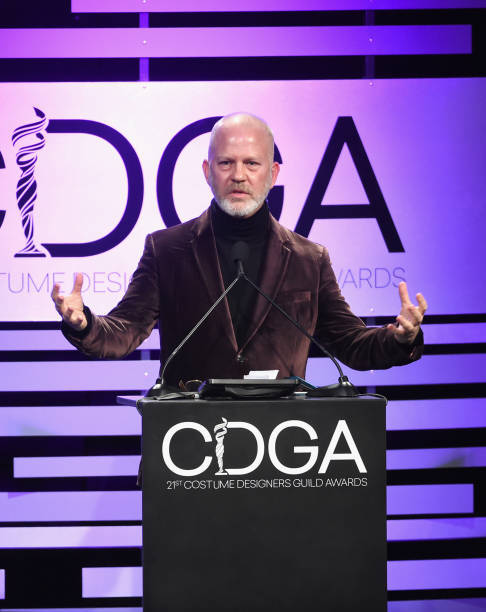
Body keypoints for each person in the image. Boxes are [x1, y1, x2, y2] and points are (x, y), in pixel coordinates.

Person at [52, 113, 427, 388]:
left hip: (281, 445)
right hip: (188, 442)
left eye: (251, 163)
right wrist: (84, 324)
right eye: (226, 163)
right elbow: (125, 331)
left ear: (273, 174)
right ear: (207, 171)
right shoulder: (166, 249)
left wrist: (399, 338)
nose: (238, 175)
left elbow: (351, 343)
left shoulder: (309, 259)